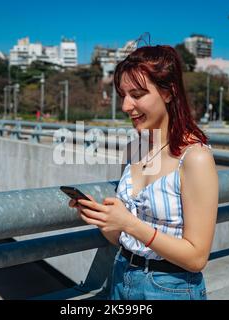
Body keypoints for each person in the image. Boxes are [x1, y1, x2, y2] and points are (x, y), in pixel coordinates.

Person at [68, 45, 218, 300]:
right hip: (121, 275)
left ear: (169, 93)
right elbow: (125, 239)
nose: (126, 105)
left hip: (171, 287)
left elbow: (196, 258)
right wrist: (103, 220)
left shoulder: (195, 158)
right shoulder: (133, 150)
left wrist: (129, 223)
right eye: (122, 95)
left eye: (137, 94)